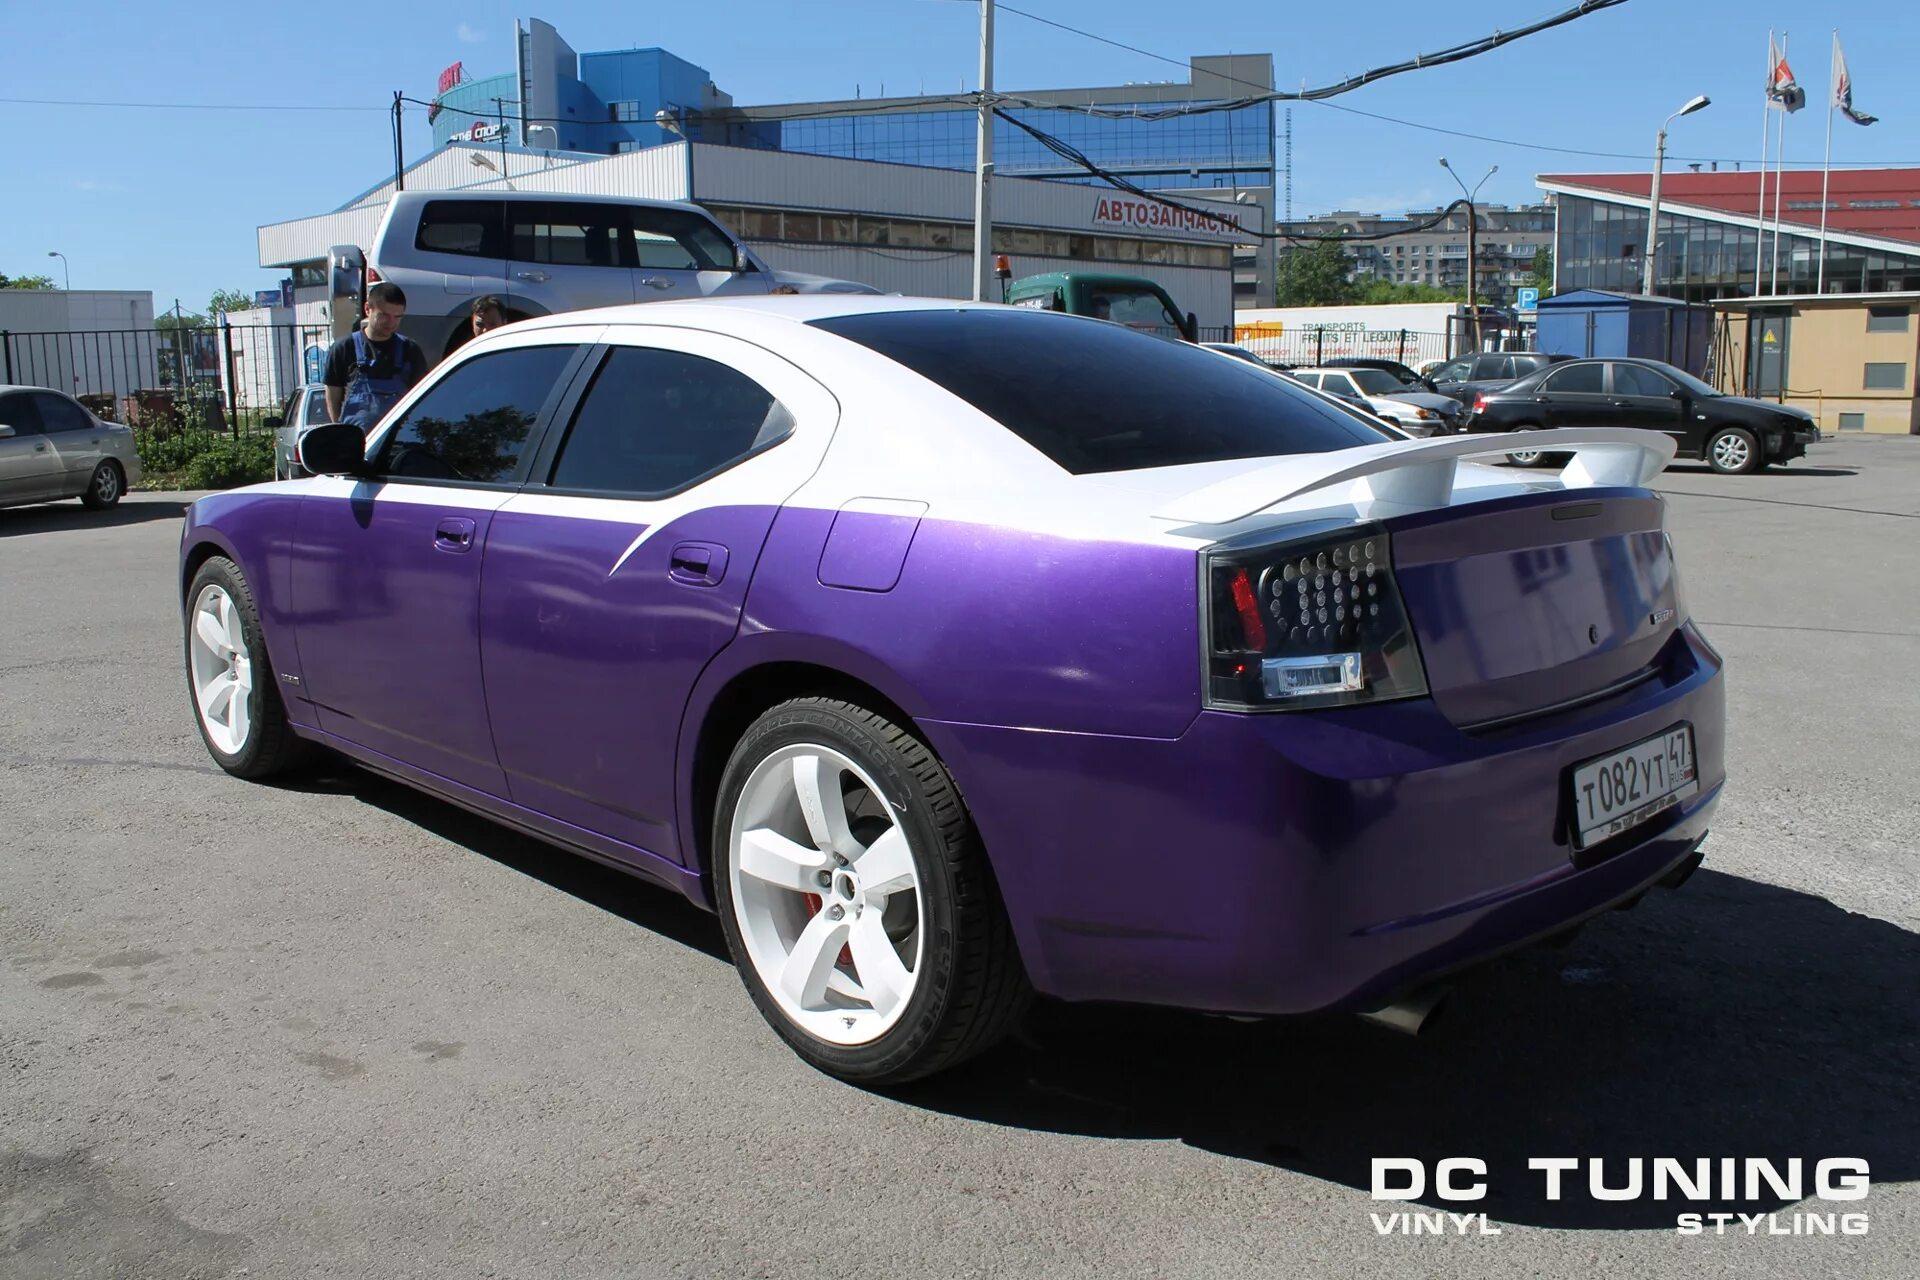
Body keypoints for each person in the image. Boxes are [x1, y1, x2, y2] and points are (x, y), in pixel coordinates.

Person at [323, 282, 425, 429]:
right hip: (357, 440)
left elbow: (421, 399)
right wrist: (342, 434)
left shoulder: (410, 350)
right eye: (384, 315)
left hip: (399, 438)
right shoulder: (344, 349)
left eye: (397, 317)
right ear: (367, 309)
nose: (391, 323)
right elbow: (333, 398)